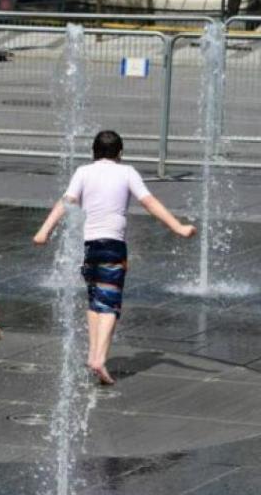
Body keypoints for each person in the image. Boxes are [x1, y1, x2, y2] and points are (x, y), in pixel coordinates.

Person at [34, 130, 196, 385]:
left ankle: (93, 355)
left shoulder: (83, 172)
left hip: (89, 246)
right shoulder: (127, 172)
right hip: (113, 245)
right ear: (120, 153)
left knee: (95, 299)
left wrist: (44, 230)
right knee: (110, 303)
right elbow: (149, 202)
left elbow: (66, 202)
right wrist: (178, 227)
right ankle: (98, 358)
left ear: (93, 152)